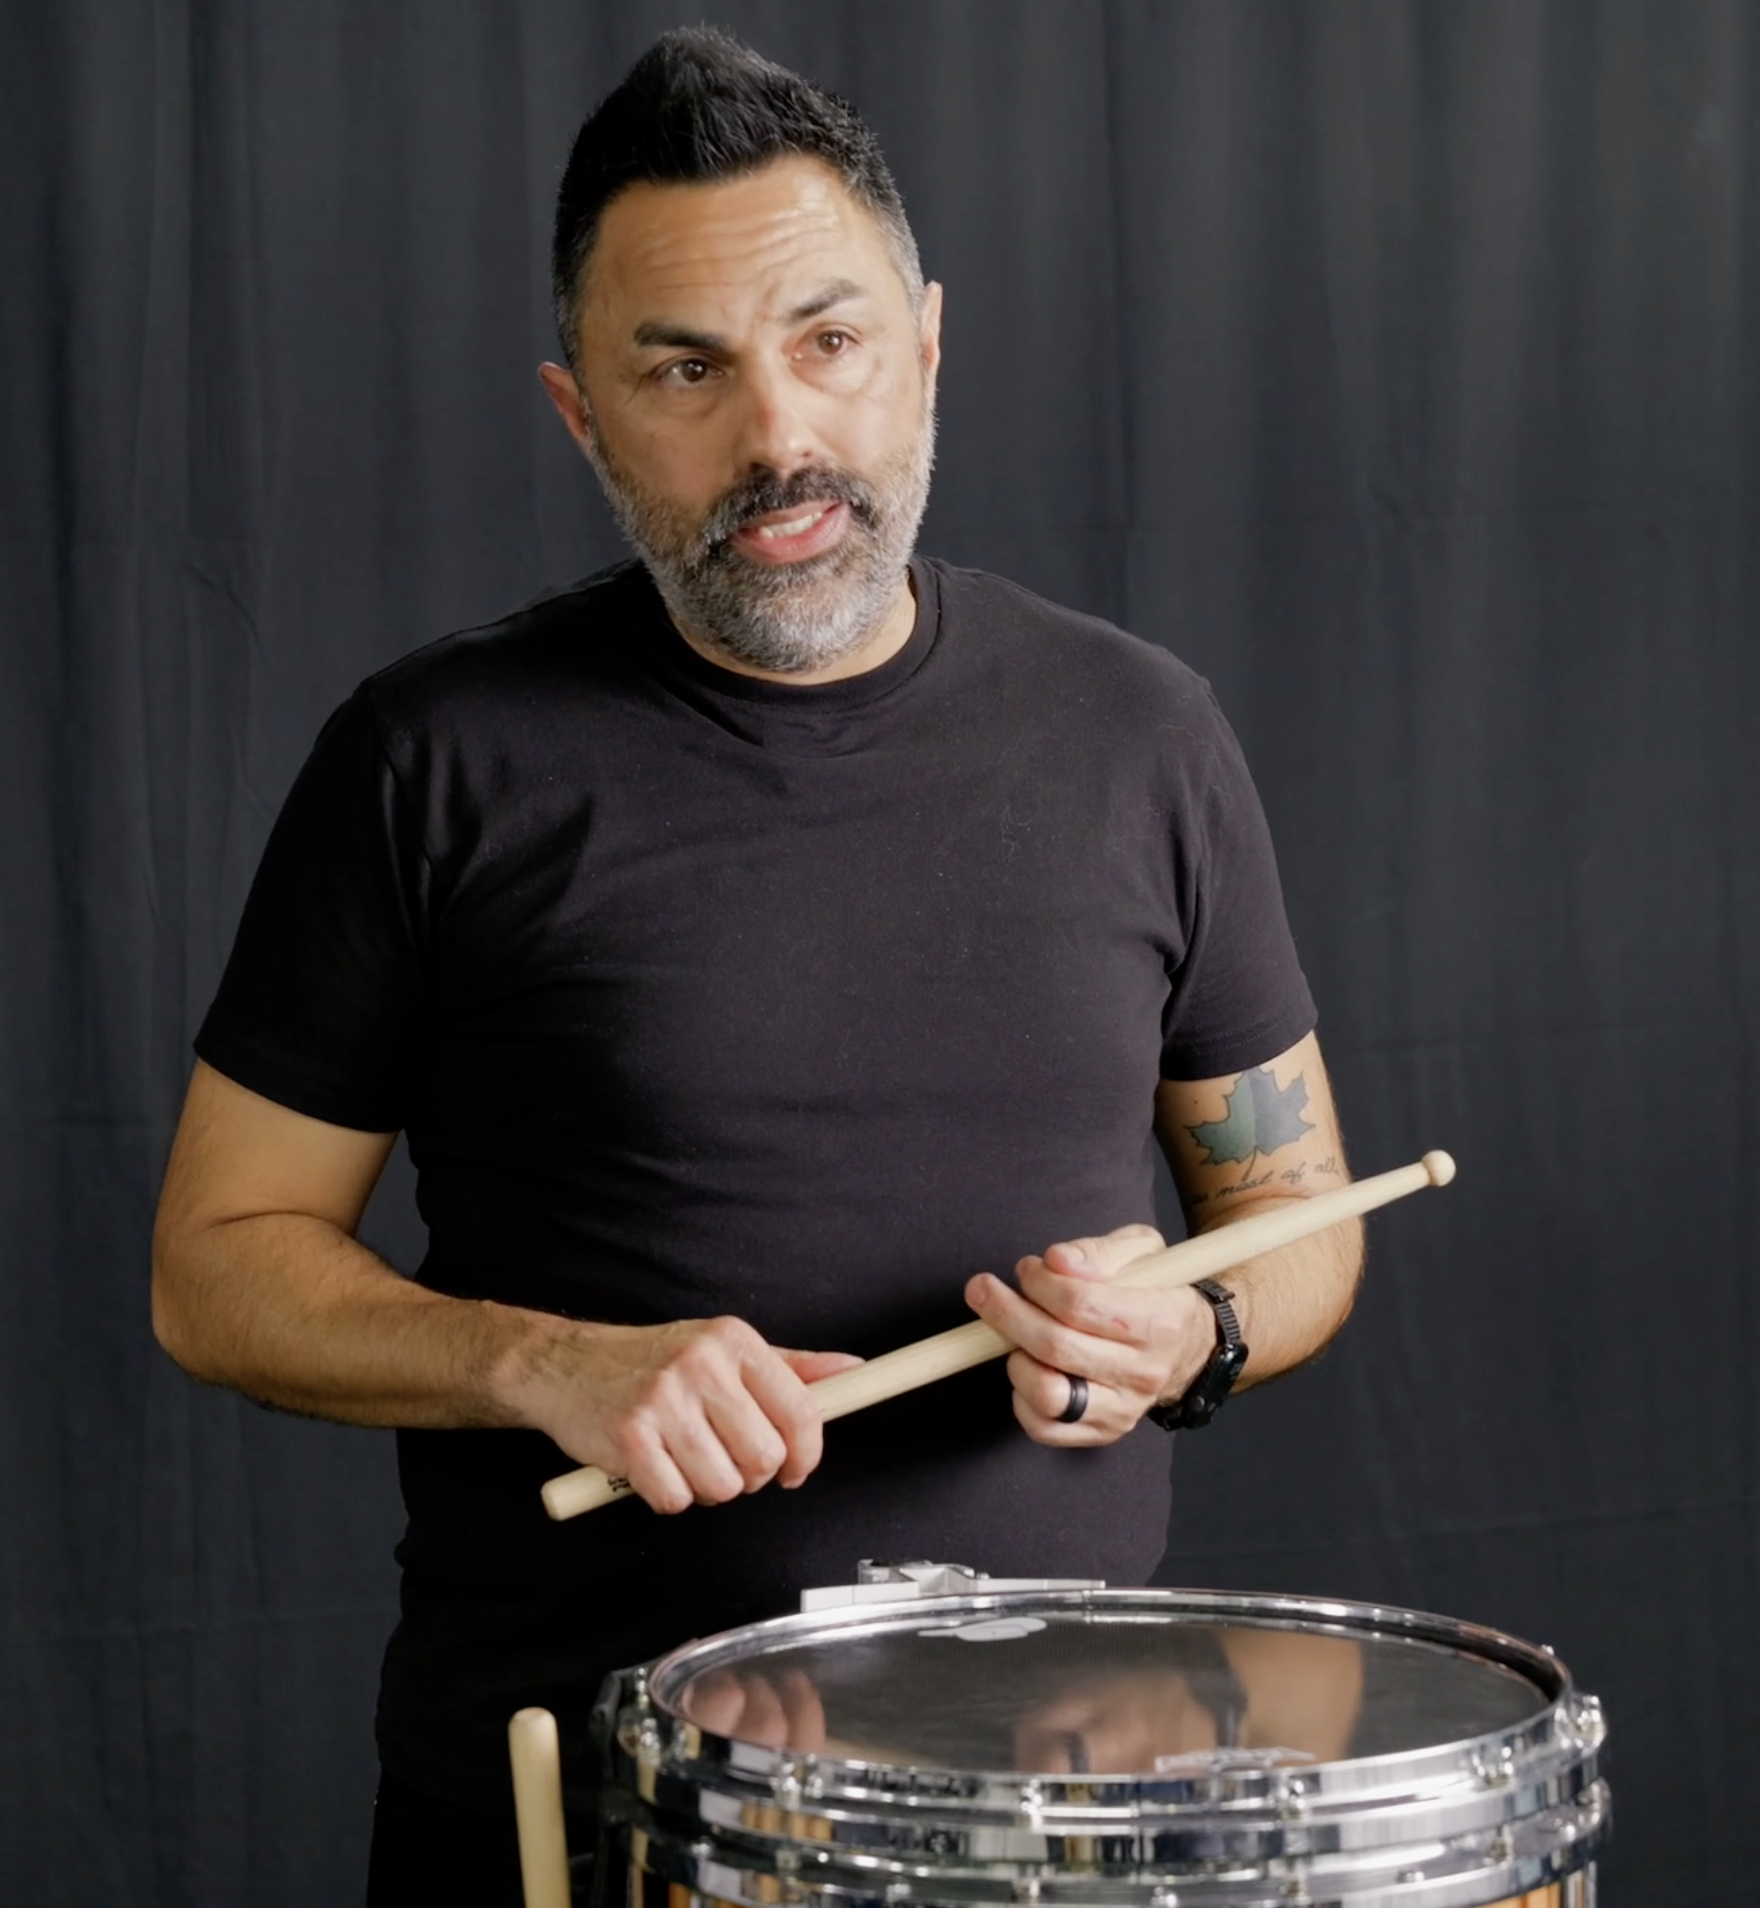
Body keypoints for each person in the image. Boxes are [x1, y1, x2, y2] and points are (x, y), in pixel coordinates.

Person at [150, 27, 1362, 1906]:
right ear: (582, 417)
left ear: (926, 346)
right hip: (584, 1818)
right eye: (685, 369)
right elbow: (214, 1271)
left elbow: (1293, 1212)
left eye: (830, 340)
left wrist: (1192, 1333)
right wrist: (544, 1363)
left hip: (1055, 1829)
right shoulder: (433, 763)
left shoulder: (1144, 737)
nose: (779, 437)